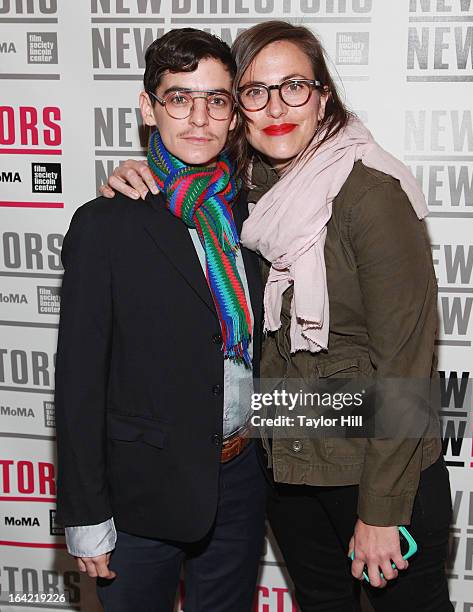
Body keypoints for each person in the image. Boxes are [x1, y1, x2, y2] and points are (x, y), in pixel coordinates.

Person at [101, 21, 454, 612]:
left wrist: (381, 509)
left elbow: (407, 363)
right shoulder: (245, 194)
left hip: (375, 471)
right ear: (238, 110)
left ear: (323, 96)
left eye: (294, 86)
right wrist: (134, 176)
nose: (276, 107)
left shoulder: (372, 193)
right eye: (254, 92)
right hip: (289, 467)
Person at [55, 28, 266, 612]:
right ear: (149, 108)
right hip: (140, 494)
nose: (198, 118)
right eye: (179, 98)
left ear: (233, 115)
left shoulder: (253, 215)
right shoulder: (107, 224)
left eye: (216, 100)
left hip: (240, 480)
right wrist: (87, 516)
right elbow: (78, 382)